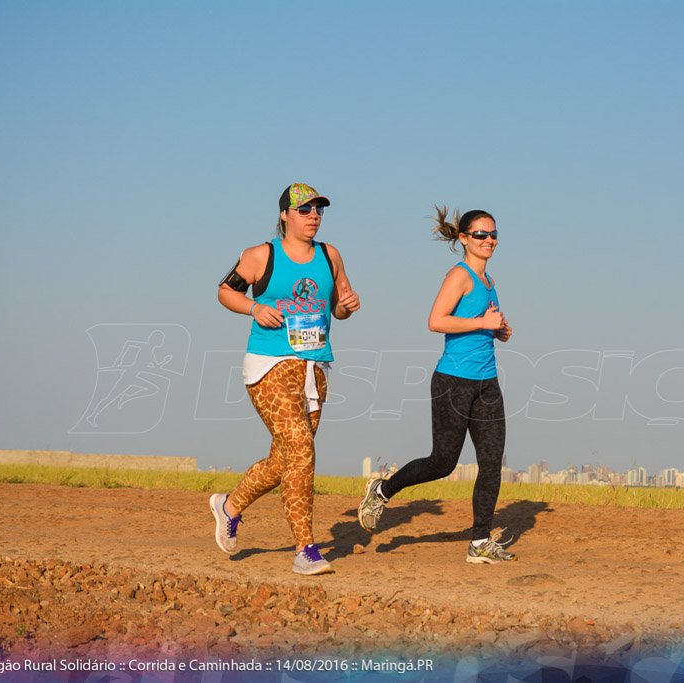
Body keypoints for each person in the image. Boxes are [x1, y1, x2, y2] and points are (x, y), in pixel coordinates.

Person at [210, 182, 360, 575]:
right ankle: (305, 550)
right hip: (268, 364)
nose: (313, 216)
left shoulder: (330, 256)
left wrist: (346, 307)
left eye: (318, 210)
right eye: (304, 210)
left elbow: (339, 307)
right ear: (284, 215)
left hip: (315, 368)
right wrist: (253, 308)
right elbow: (226, 291)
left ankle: (229, 506)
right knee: (301, 449)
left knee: (285, 459)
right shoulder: (261, 255)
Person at [357, 206, 517, 563]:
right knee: (443, 462)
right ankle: (382, 490)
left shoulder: (490, 282)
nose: (489, 240)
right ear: (463, 238)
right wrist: (482, 323)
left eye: (493, 235)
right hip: (453, 381)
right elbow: (436, 320)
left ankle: (479, 543)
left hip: (487, 383)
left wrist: (498, 330)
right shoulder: (458, 276)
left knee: (491, 463)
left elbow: (480, 324)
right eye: (481, 235)